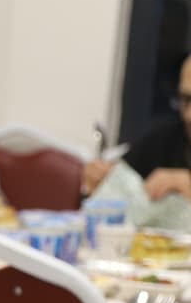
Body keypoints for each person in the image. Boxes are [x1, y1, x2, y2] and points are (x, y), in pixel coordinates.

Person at [81, 53, 191, 230]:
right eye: (186, 100)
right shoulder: (166, 138)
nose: (188, 115)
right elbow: (117, 179)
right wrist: (100, 179)